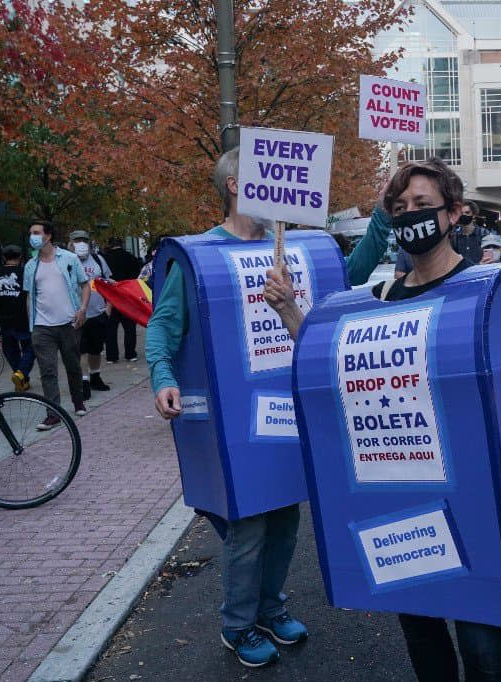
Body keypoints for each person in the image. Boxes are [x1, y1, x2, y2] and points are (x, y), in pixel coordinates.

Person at [264, 157, 501, 682]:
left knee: (483, 643)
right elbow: (338, 372)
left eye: (422, 205)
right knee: (422, 634)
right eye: (399, 206)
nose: (409, 214)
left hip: (479, 497)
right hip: (406, 500)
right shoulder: (378, 301)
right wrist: (292, 315)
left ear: (455, 214)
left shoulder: (489, 292)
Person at [146, 146, 390, 669]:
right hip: (236, 423)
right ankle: (238, 625)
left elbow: (344, 277)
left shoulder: (297, 249)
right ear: (236, 185)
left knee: (285, 519)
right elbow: (164, 325)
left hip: (291, 412)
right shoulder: (201, 256)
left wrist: (383, 220)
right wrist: (162, 377)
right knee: (249, 526)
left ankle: (271, 609)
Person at [24, 221, 91, 428]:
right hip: (42, 326)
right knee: (47, 370)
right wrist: (32, 325)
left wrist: (82, 309)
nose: (32, 236)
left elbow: (85, 284)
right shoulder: (30, 265)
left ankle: (78, 402)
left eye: (36, 232)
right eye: (31, 233)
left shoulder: (69, 259)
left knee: (72, 365)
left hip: (68, 323)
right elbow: (29, 296)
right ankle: (53, 412)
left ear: (48, 236)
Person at [69, 230, 112, 399]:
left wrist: (108, 309)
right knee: (80, 350)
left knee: (96, 349)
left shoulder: (98, 260)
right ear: (70, 242)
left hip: (97, 313)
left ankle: (95, 376)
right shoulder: (65, 260)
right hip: (75, 315)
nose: (81, 243)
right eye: (77, 240)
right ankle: (84, 382)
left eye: (84, 240)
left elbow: (109, 284)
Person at [0, 245, 34, 391]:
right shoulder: (25, 272)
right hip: (23, 318)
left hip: (4, 319)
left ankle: (20, 376)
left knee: (10, 349)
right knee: (30, 347)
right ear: (20, 258)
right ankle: (21, 374)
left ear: (4, 258)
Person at [103, 237, 142, 363]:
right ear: (122, 245)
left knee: (110, 328)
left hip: (111, 297)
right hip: (127, 297)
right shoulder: (131, 258)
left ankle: (111, 356)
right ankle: (130, 354)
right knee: (129, 327)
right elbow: (139, 275)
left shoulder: (105, 259)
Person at [451, 199, 488, 264]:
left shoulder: (484, 234)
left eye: (467, 213)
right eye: (461, 213)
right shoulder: (454, 236)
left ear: (473, 215)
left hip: (479, 272)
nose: (464, 215)